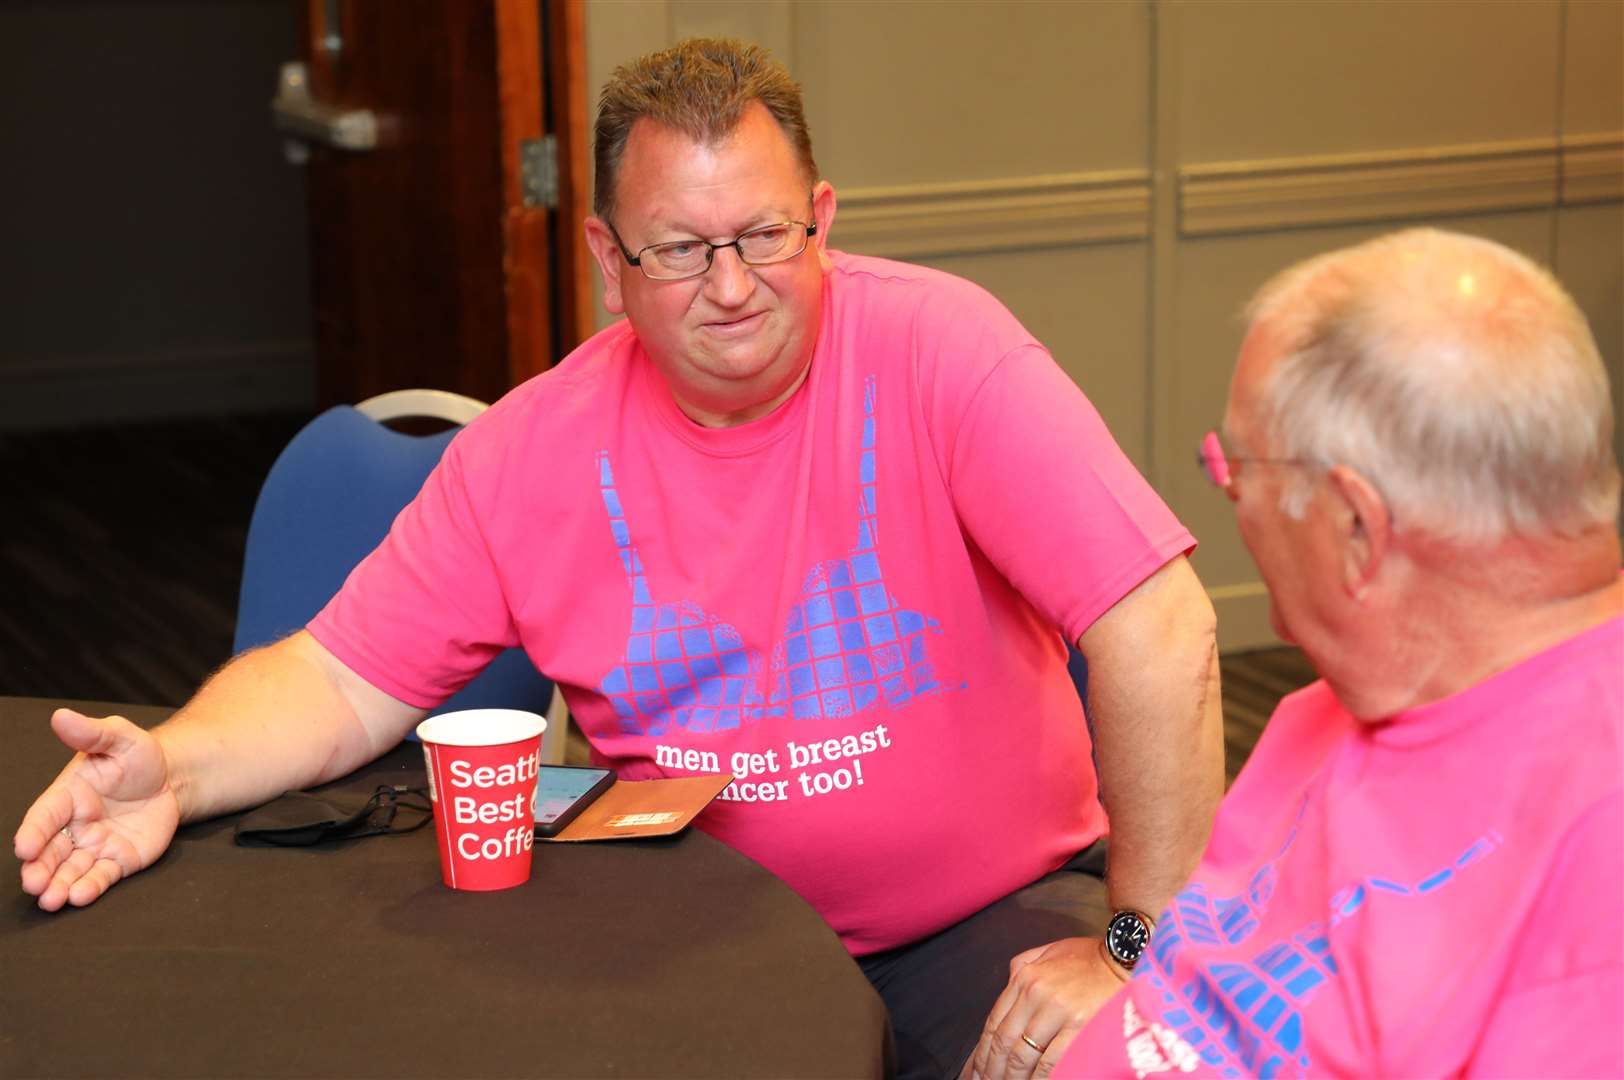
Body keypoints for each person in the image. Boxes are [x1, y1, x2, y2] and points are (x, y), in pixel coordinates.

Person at [14, 39, 1223, 1078]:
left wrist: (1140, 946)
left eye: (765, 233)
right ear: (606, 257)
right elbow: (336, 680)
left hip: (985, 918)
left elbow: (1158, 624)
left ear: (825, 217)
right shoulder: (533, 448)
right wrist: (171, 765)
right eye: (683, 249)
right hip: (685, 929)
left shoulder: (944, 353)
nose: (736, 287)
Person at [1043, 228, 1624, 1079]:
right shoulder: (1346, 697)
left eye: (1234, 469)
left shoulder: (1593, 853)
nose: (1232, 502)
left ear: (1354, 525)